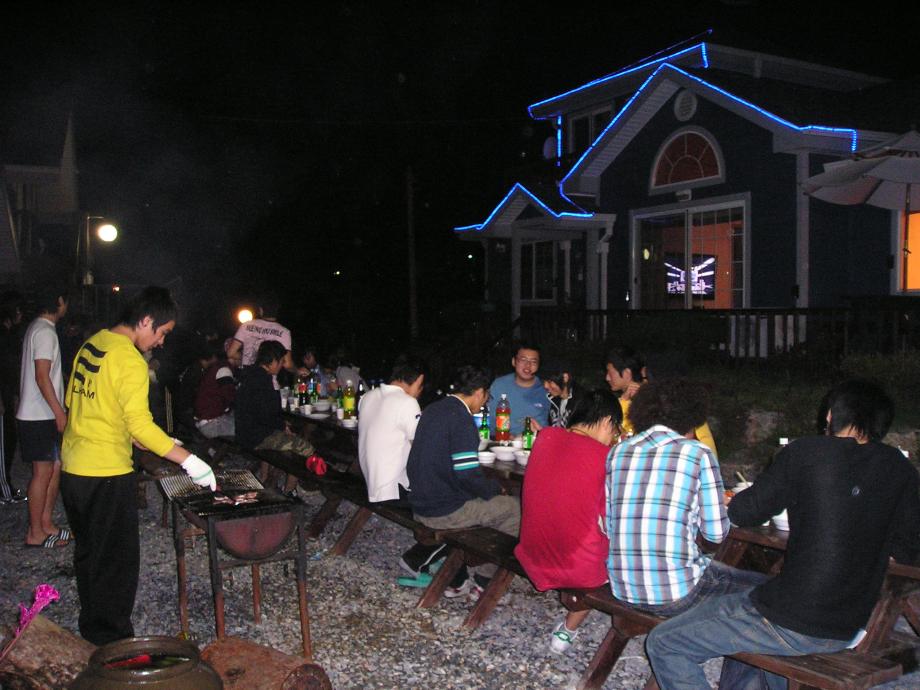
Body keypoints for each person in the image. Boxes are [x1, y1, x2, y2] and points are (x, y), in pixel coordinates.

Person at [645, 379, 920, 690]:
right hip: (850, 626)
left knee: (665, 643)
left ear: (830, 415)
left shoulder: (806, 452)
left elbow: (744, 512)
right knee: (745, 603)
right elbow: (907, 551)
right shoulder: (902, 470)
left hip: (792, 620)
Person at [61, 286, 217, 645]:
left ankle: (92, 628)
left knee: (89, 553)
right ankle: (112, 644)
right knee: (117, 561)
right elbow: (141, 425)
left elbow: (79, 402)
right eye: (162, 333)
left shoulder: (93, 344)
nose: (161, 342)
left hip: (74, 469)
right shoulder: (130, 360)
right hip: (106, 473)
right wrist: (191, 461)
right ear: (146, 321)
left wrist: (136, 435)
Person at [607, 379, 762, 619]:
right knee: (767, 588)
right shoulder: (697, 453)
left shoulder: (618, 452)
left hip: (623, 588)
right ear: (693, 415)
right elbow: (715, 535)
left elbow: (610, 526)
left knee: (715, 571)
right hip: (677, 593)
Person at [514, 388, 622, 653]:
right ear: (607, 421)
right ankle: (567, 630)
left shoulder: (545, 437)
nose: (613, 438)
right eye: (615, 430)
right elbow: (611, 519)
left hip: (531, 553)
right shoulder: (605, 457)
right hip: (578, 570)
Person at [407, 364, 520, 599]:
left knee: (492, 502)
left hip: (419, 501)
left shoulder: (434, 409)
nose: (485, 402)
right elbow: (467, 475)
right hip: (441, 511)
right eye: (487, 396)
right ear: (479, 392)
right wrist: (494, 489)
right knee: (514, 508)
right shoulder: (462, 419)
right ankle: (484, 581)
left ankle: (464, 571)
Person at [357, 354, 444, 578]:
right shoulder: (406, 402)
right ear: (418, 380)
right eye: (421, 387)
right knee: (454, 506)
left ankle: (449, 570)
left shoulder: (368, 396)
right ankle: (417, 560)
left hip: (369, 482)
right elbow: (424, 448)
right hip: (392, 490)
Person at [17, 285, 70, 547]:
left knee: (54, 467)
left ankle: (46, 523)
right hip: (37, 414)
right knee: (42, 471)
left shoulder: (40, 329)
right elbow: (42, 376)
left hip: (42, 413)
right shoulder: (44, 332)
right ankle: (35, 532)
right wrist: (59, 411)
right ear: (59, 301)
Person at [234, 339, 314, 495]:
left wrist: (281, 425)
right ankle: (290, 491)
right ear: (272, 361)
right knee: (306, 448)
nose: (282, 365)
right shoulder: (262, 380)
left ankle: (266, 479)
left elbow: (262, 412)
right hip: (255, 437)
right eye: (281, 361)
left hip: (245, 432)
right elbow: (266, 415)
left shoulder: (251, 375)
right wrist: (282, 426)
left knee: (287, 437)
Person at [605, 346, 717, 455]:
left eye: (610, 372)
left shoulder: (656, 407)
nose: (607, 378)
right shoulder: (689, 405)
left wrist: (624, 402)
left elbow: (618, 437)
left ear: (627, 373)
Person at [489, 342, 549, 436]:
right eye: (523, 360)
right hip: (503, 440)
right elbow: (489, 420)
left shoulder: (546, 388)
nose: (528, 365)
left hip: (537, 440)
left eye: (533, 361)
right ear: (514, 362)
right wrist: (506, 436)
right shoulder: (499, 385)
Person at [0, 290, 26, 503]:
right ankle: (4, 489)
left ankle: (6, 484)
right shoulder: (2, 335)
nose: (21, 314)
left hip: (9, 395)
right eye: (18, 310)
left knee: (9, 440)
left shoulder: (11, 335)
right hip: (2, 397)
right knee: (4, 444)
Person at [226, 295, 293, 371]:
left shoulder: (246, 325)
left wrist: (246, 356)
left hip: (247, 375)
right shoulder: (284, 332)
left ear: (261, 310)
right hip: (269, 377)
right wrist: (296, 371)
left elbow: (230, 353)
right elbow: (288, 364)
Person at [194, 341, 241, 438]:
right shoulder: (224, 370)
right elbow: (231, 397)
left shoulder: (219, 367)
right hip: (211, 424)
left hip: (208, 419)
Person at [541, 359, 581, 428]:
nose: (545, 385)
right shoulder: (552, 400)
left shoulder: (582, 402)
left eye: (549, 381)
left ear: (565, 378)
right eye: (544, 381)